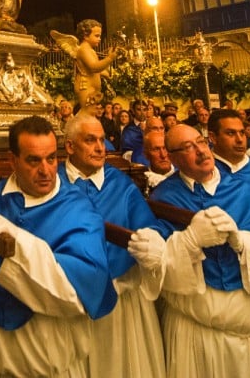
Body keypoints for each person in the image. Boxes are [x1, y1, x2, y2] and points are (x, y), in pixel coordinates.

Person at [0, 115, 116, 377]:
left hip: (46, 366)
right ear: (12, 161)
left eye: (51, 158)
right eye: (33, 160)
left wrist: (13, 237)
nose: (46, 170)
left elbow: (75, 296)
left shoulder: (79, 210)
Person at [150, 124, 250, 376]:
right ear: (173, 159)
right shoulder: (163, 198)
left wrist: (243, 242)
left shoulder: (243, 189)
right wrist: (189, 242)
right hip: (199, 338)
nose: (200, 151)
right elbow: (156, 268)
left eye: (200, 142)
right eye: (188, 148)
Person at [60, 114, 165, 378]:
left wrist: (150, 241)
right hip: (67, 301)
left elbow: (149, 226)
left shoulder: (120, 183)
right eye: (90, 140)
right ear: (70, 146)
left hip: (120, 301)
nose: (100, 148)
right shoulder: (51, 182)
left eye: (102, 140)